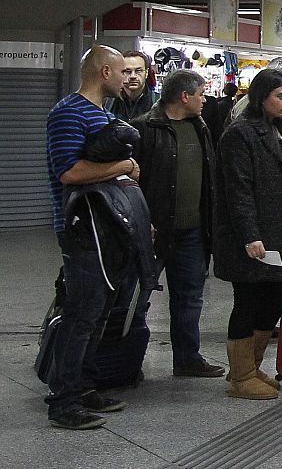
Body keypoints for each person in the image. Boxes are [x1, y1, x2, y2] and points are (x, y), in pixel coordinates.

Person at [43, 46, 141, 429]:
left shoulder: (102, 114)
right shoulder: (68, 112)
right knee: (81, 314)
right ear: (104, 72)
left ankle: (83, 385)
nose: (126, 78)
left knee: (99, 311)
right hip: (81, 228)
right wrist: (123, 165)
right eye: (120, 72)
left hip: (107, 227)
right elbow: (69, 171)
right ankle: (63, 402)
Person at [213, 69, 282, 400]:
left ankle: (251, 365)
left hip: (277, 231)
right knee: (248, 299)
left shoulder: (279, 131)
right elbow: (238, 189)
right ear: (261, 98)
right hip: (250, 234)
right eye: (281, 97)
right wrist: (249, 235)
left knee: (278, 290)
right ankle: (241, 376)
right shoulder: (240, 135)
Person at [129, 69, 225, 378]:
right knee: (138, 298)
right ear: (185, 97)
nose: (204, 100)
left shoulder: (201, 127)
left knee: (189, 297)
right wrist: (142, 221)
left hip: (193, 231)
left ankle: (187, 358)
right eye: (200, 94)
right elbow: (130, 183)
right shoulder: (144, 128)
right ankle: (127, 360)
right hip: (155, 231)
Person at [107, 51, 155, 120]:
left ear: (146, 73)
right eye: (127, 71)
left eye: (138, 71)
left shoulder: (159, 102)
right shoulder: (108, 101)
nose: (133, 76)